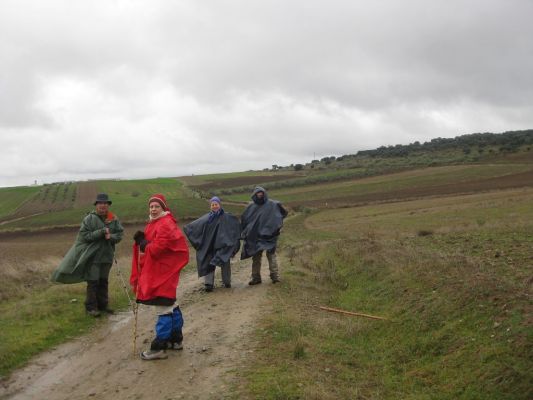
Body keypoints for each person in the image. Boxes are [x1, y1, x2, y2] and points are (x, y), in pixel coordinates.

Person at [130, 194, 189, 360]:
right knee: (172, 304)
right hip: (165, 271)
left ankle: (159, 347)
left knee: (163, 307)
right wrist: (144, 240)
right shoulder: (158, 222)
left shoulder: (165, 223)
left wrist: (143, 244)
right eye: (151, 207)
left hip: (163, 272)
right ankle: (176, 340)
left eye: (157, 206)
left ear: (163, 208)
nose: (153, 209)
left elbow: (158, 249)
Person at [51, 193, 124, 317]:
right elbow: (85, 236)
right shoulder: (89, 219)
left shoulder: (113, 219)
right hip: (93, 257)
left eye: (105, 203)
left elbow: (119, 235)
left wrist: (110, 237)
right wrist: (100, 232)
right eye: (100, 203)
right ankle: (91, 308)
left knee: (103, 281)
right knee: (93, 282)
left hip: (107, 256)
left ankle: (103, 306)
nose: (103, 205)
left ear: (108, 205)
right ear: (96, 205)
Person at [183, 196, 240, 292]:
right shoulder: (207, 218)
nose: (214, 206)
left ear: (219, 205)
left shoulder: (227, 217)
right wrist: (188, 229)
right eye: (212, 205)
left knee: (225, 263)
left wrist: (233, 245)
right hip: (210, 245)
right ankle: (208, 284)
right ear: (210, 206)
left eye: (216, 204)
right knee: (208, 263)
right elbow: (196, 226)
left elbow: (233, 229)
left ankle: (227, 282)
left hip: (223, 246)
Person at [240, 186, 288, 285]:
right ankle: (256, 277)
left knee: (271, 255)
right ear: (255, 194)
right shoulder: (251, 207)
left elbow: (283, 213)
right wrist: (246, 232)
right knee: (256, 257)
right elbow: (245, 220)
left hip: (270, 235)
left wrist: (276, 224)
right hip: (256, 236)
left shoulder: (273, 204)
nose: (260, 194)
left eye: (261, 193)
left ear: (264, 193)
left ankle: (275, 276)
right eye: (258, 193)